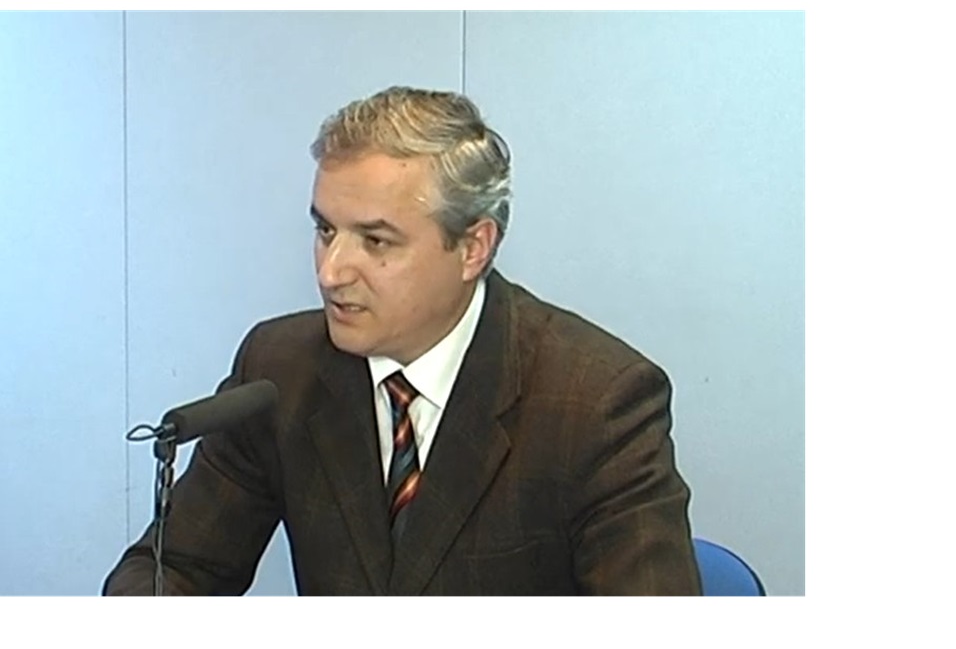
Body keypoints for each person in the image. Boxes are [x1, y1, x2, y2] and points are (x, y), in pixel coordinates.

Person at [103, 86, 701, 595]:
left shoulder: (596, 403)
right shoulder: (280, 369)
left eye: (376, 241)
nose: (331, 271)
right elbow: (174, 568)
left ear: (473, 248)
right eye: (326, 230)